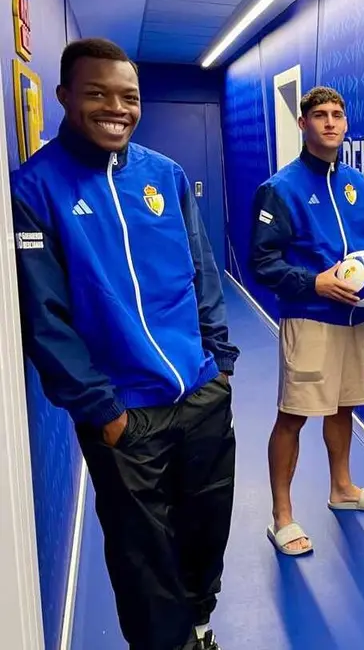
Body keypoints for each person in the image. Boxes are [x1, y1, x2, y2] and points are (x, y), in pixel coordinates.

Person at [10, 38, 238, 650]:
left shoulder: (163, 175)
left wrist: (219, 365)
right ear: (64, 96)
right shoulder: (35, 190)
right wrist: (103, 411)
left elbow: (203, 272)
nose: (116, 108)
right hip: (123, 414)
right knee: (144, 560)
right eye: (97, 94)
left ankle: (199, 628)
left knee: (206, 527)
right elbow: (44, 317)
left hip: (200, 393)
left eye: (128, 97)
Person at [250, 85, 364, 555]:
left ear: (346, 123)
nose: (330, 122)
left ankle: (342, 488)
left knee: (343, 406)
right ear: (303, 124)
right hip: (309, 318)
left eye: (337, 114)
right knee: (293, 416)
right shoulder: (280, 189)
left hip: (355, 320)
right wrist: (314, 283)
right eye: (319, 115)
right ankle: (282, 516)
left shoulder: (359, 184)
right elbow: (262, 263)